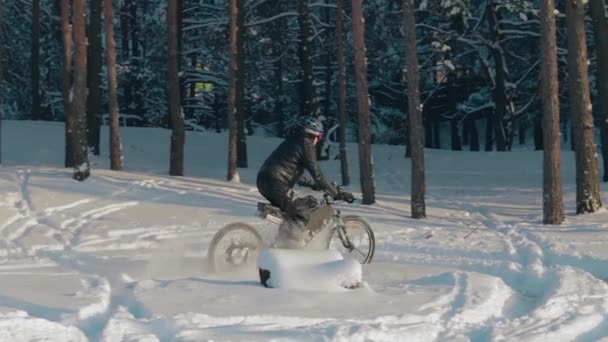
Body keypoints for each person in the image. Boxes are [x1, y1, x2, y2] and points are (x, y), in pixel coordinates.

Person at [257, 117, 355, 246]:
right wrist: (336, 194)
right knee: (301, 211)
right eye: (319, 137)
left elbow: (294, 174)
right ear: (313, 134)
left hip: (265, 181)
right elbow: (317, 174)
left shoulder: (293, 141)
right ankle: (289, 247)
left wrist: (314, 185)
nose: (317, 141)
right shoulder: (306, 143)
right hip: (275, 183)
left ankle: (280, 245)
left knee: (295, 210)